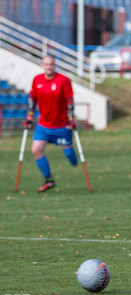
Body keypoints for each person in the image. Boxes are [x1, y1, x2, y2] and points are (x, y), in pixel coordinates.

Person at [24, 55, 78, 192]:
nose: (49, 67)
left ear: (55, 65)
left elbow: (69, 101)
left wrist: (71, 119)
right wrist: (30, 117)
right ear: (43, 65)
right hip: (44, 125)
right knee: (36, 150)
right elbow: (32, 99)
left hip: (61, 125)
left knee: (70, 155)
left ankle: (74, 160)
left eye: (52, 64)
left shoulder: (64, 80)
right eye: (47, 64)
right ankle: (49, 180)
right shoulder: (37, 80)